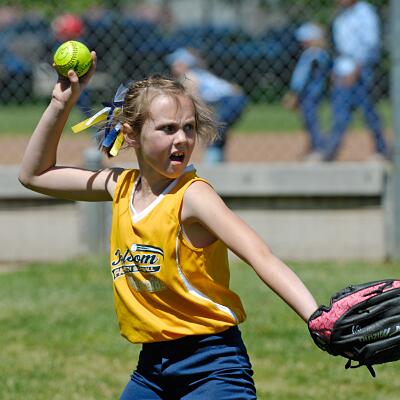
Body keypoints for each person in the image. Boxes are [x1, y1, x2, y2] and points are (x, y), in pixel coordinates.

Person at [19, 52, 318, 399]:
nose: (182, 139)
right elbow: (34, 175)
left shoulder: (193, 196)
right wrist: (60, 104)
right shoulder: (120, 187)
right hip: (151, 370)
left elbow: (260, 256)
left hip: (212, 366)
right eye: (167, 129)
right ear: (130, 134)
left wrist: (316, 318)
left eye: (188, 127)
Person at [322, 0, 390, 161]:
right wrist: (336, 68)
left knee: (368, 110)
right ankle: (331, 150)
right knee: (340, 110)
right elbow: (339, 44)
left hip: (361, 67)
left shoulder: (364, 13)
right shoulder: (341, 14)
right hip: (342, 65)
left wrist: (357, 68)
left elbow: (371, 43)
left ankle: (382, 148)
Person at [166, 47, 248, 163]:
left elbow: (195, 100)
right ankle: (218, 160)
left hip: (231, 100)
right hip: (233, 100)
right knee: (218, 131)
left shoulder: (189, 76)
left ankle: (212, 163)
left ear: (184, 64)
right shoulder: (198, 73)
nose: (173, 67)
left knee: (214, 131)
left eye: (176, 64)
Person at [282, 22, 331, 161]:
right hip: (308, 93)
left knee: (311, 121)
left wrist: (294, 92)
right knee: (308, 121)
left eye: (306, 39)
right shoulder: (312, 54)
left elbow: (302, 76)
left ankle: (319, 148)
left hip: (309, 93)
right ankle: (314, 146)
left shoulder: (315, 54)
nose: (302, 43)